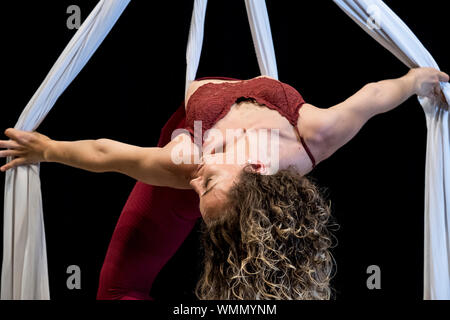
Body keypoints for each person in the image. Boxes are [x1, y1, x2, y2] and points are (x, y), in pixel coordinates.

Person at [0, 68, 448, 299]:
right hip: (202, 134)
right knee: (116, 287)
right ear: (254, 169)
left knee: (114, 288)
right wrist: (413, 81)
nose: (197, 185)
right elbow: (374, 95)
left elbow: (112, 155)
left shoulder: (190, 165)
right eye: (208, 186)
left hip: (182, 140)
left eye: (200, 195)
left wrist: (49, 148)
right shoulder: (314, 135)